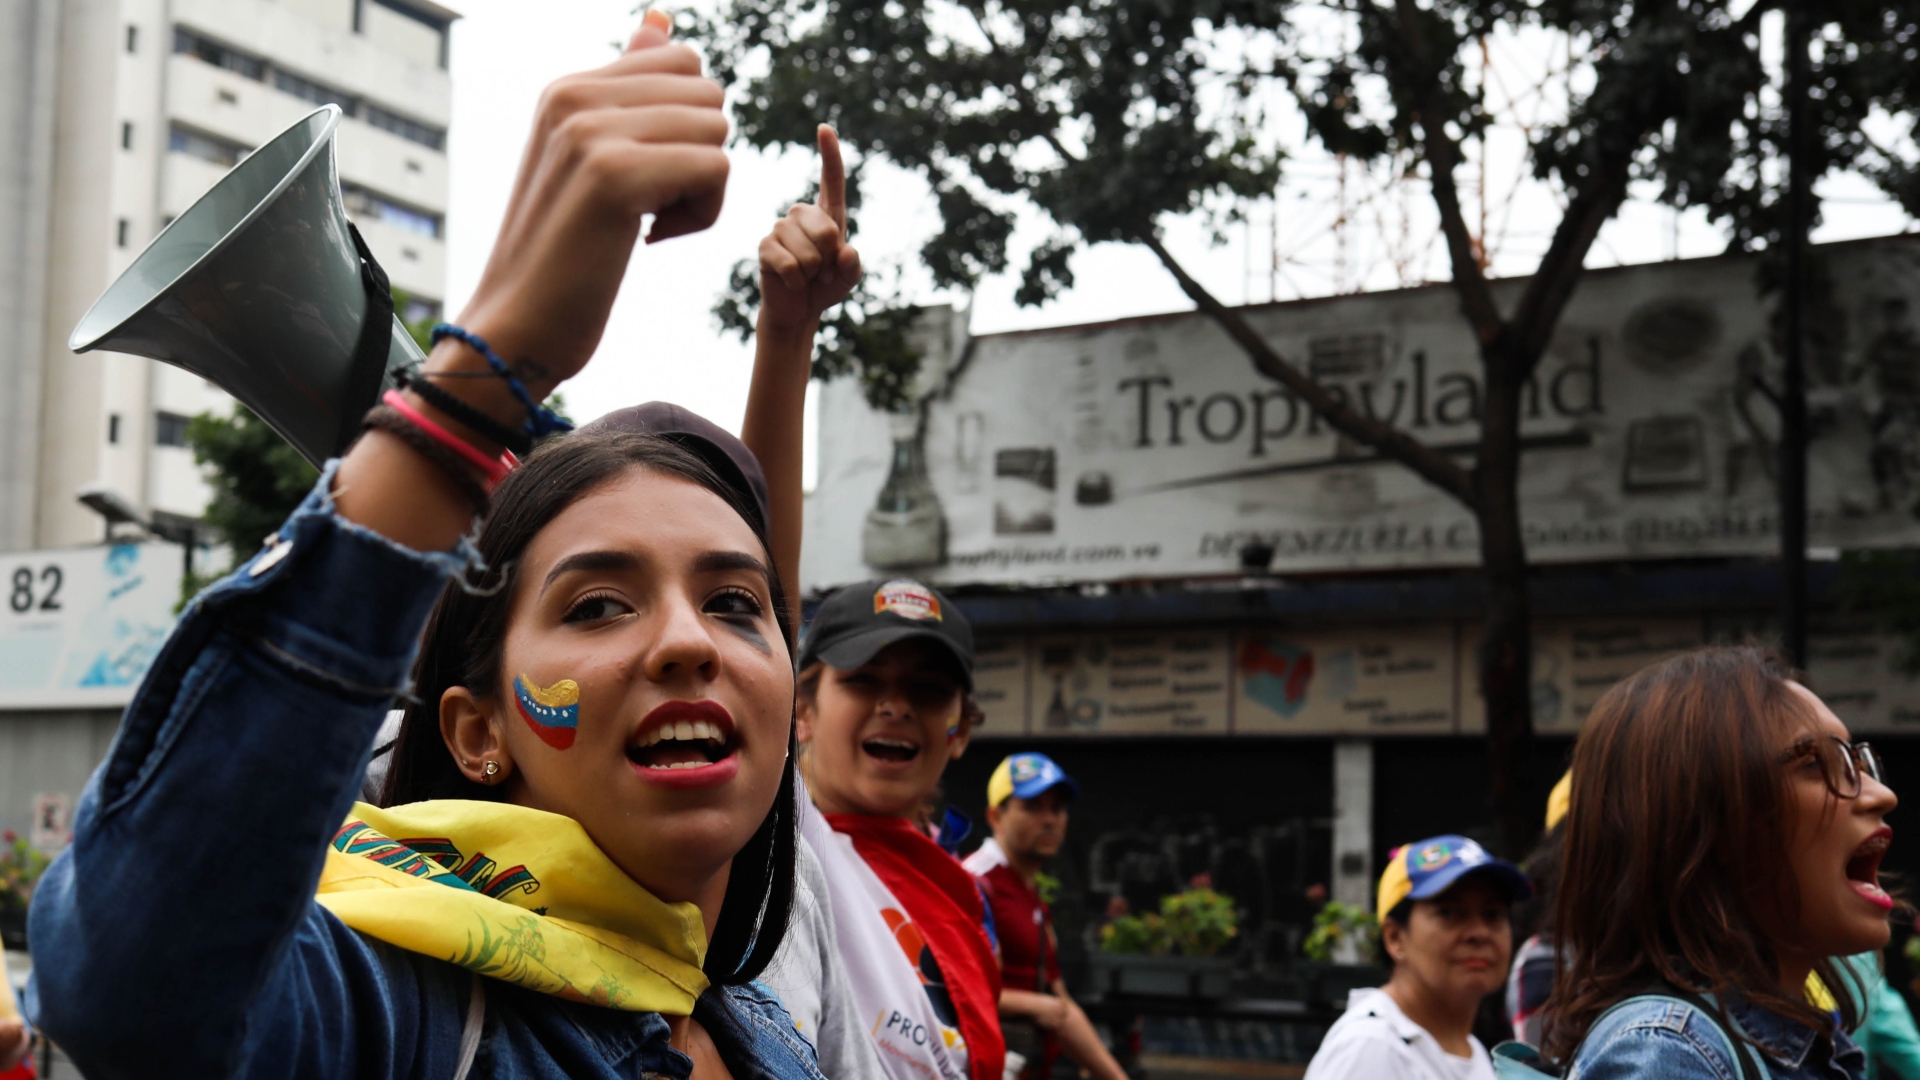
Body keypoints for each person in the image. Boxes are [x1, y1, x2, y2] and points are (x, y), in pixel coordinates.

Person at [23, 12, 857, 1078]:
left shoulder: (769, 1037)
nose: (690, 643)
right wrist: (485, 369)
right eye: (598, 604)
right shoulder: (389, 1009)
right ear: (475, 731)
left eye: (735, 603)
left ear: (788, 695)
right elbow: (130, 990)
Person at [1546, 646, 1894, 1079]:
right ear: (1703, 822)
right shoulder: (1666, 1052)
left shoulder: (1805, 1044)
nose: (1882, 795)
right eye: (1814, 763)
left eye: (1857, 762)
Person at [787, 579, 1006, 1080]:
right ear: (801, 711)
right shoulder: (779, 853)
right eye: (864, 680)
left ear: (960, 731)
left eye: (928, 690)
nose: (896, 706)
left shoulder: (964, 891)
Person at [1304, 835, 1531, 1080]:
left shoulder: (1469, 1049)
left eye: (1493, 914)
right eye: (1449, 913)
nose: (1479, 933)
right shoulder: (1373, 1047)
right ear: (1394, 937)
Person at [962, 753, 1127, 1080]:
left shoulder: (1028, 892)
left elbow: (1061, 1005)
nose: (1049, 819)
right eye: (1032, 807)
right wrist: (1035, 1005)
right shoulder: (973, 883)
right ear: (996, 816)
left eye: (1057, 808)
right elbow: (954, 990)